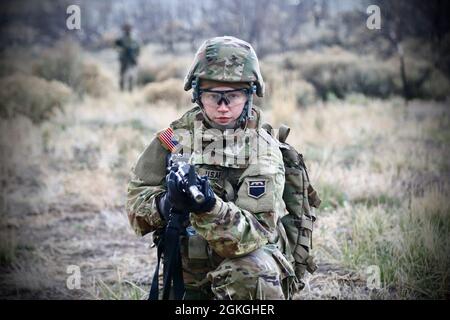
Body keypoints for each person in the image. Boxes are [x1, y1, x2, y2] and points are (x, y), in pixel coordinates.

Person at [126, 36, 298, 300]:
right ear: (197, 95)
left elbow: (254, 234)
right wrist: (166, 204)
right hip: (188, 268)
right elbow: (135, 202)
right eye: (212, 96)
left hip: (244, 266)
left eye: (234, 96)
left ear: (250, 96)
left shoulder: (262, 150)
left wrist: (208, 207)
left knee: (250, 275)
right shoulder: (174, 139)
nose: (223, 107)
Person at [115, 23, 140, 92]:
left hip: (132, 59)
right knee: (122, 75)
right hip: (123, 59)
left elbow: (138, 49)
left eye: (128, 28)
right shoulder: (120, 39)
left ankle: (130, 90)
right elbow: (116, 47)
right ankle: (121, 89)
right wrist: (122, 50)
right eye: (126, 28)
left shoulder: (134, 38)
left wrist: (135, 56)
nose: (127, 30)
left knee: (131, 75)